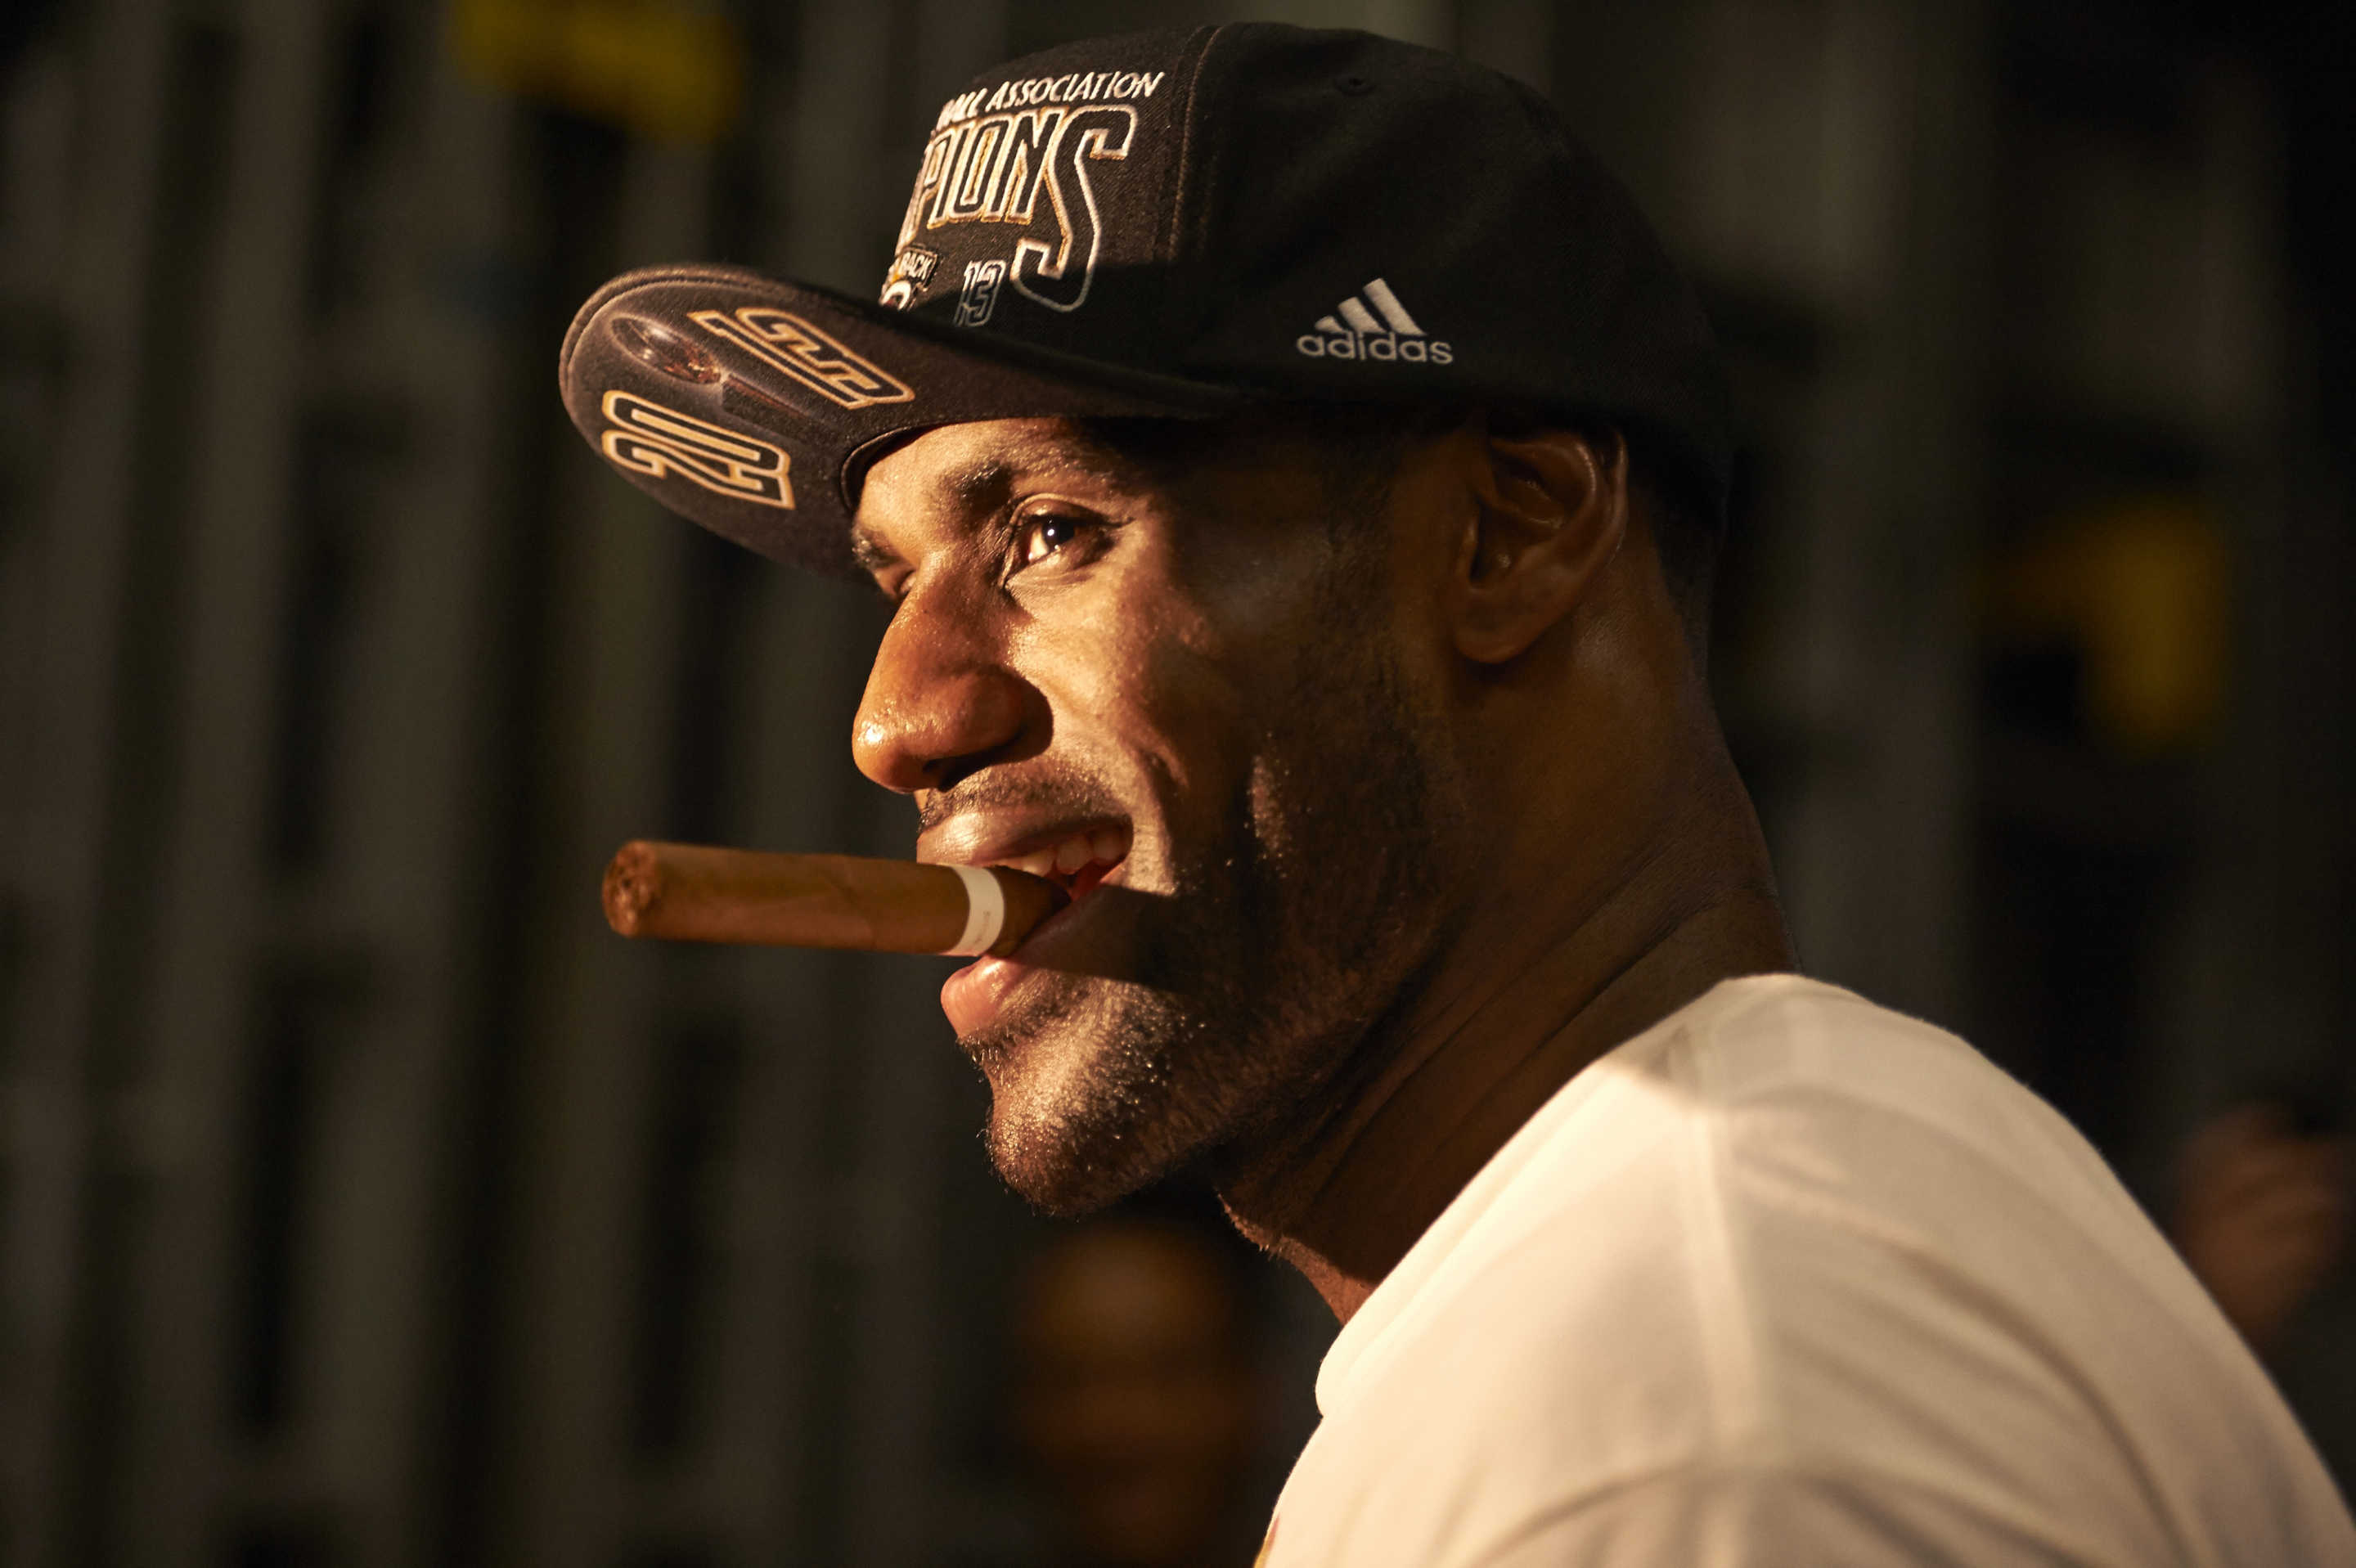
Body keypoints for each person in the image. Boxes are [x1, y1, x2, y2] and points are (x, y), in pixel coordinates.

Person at [560, 23, 2356, 1565]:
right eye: (895, 578)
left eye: (1052, 530)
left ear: (1510, 533)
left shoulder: (1683, 1419)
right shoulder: (1709, 1279)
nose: (900, 720)